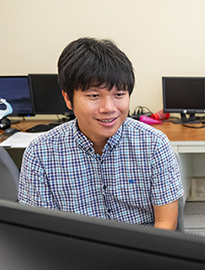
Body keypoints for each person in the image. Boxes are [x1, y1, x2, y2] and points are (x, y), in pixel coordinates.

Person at [18, 37, 183, 230]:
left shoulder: (153, 144)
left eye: (119, 95)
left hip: (142, 252)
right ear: (68, 99)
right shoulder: (40, 154)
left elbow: (165, 222)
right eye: (94, 96)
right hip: (76, 253)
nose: (109, 108)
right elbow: (42, 231)